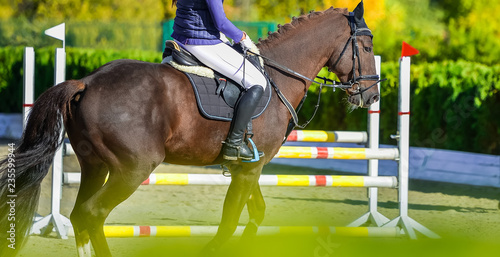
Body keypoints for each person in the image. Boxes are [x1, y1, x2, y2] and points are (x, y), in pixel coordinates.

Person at [171, 0, 267, 161]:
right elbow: (221, 22)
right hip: (201, 41)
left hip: (181, 38)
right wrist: (242, 37)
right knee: (258, 82)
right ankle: (234, 144)